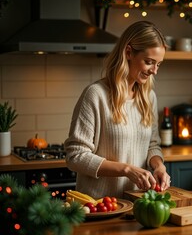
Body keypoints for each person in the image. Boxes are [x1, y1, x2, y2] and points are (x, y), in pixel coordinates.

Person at [65, 21, 170, 199]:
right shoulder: (96, 95)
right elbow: (76, 156)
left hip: (137, 202)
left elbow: (152, 145)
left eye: (158, 64)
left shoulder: (148, 97)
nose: (154, 71)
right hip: (99, 205)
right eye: (149, 62)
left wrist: (159, 166)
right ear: (128, 52)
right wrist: (126, 170)